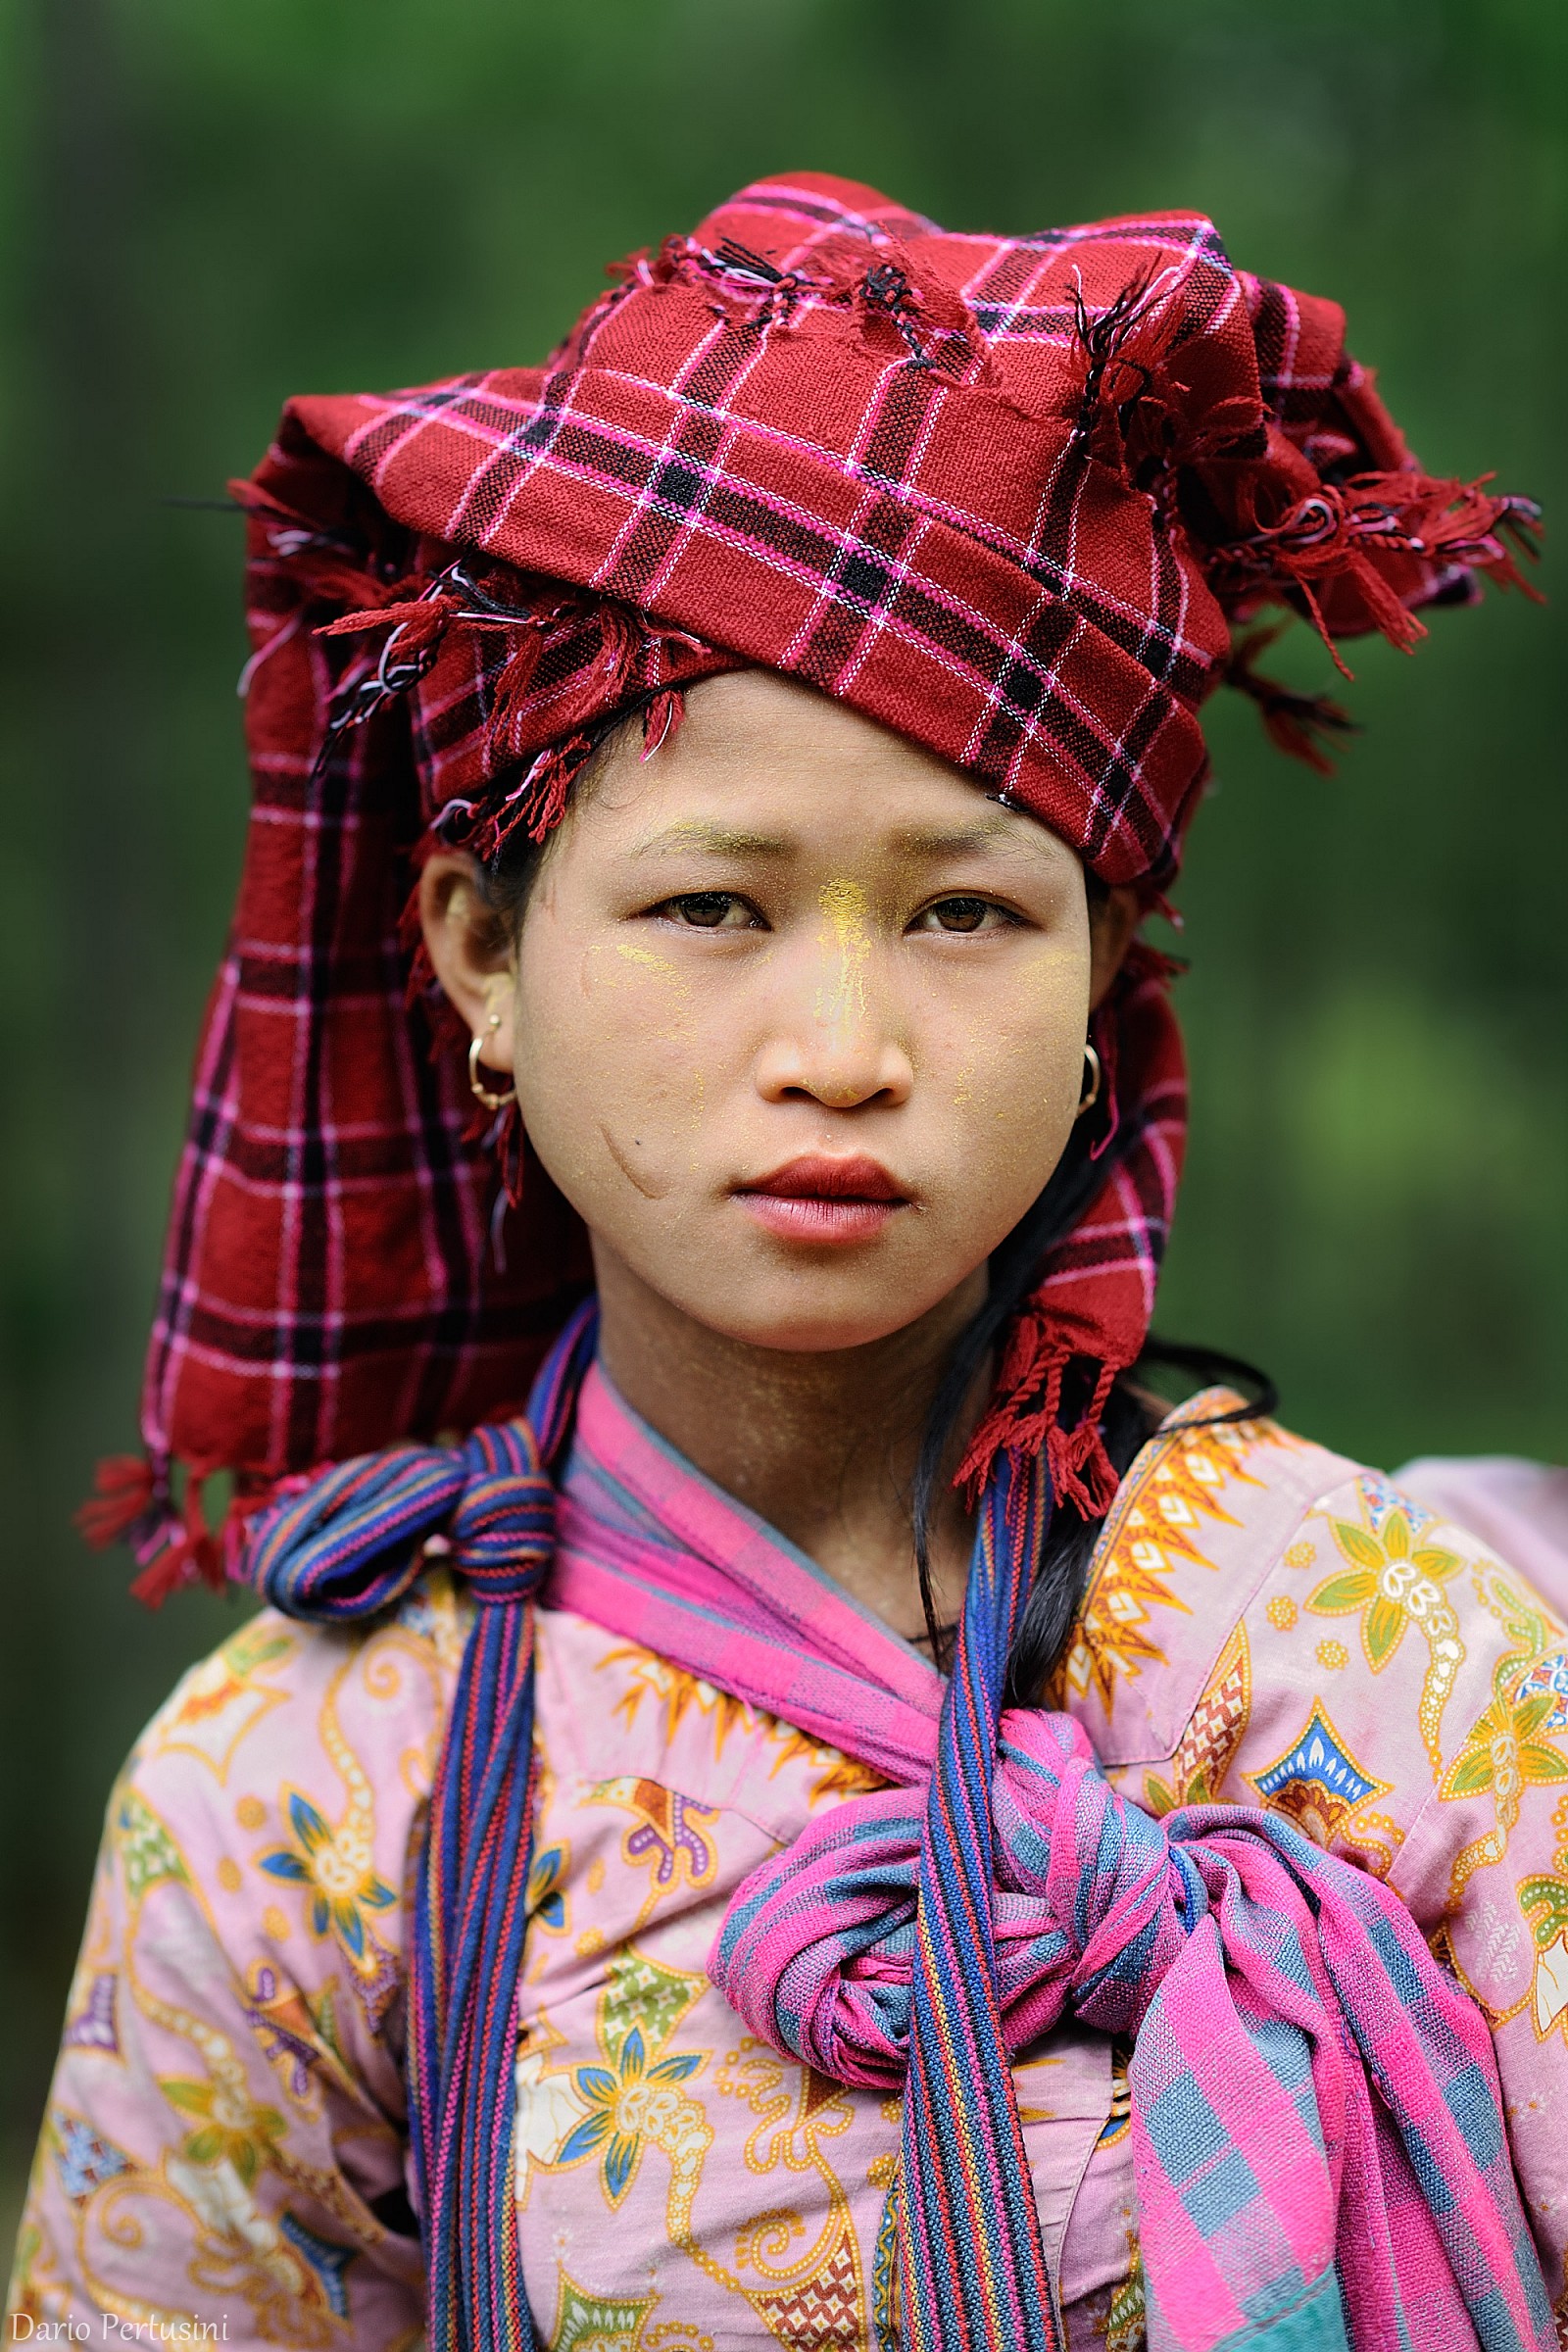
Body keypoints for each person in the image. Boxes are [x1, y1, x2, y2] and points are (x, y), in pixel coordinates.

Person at [8, 172, 1561, 2352]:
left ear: (1106, 973)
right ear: (478, 956)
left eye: (965, 915)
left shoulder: (1361, 1656)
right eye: (709, 910)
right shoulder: (294, 1798)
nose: (840, 1055)